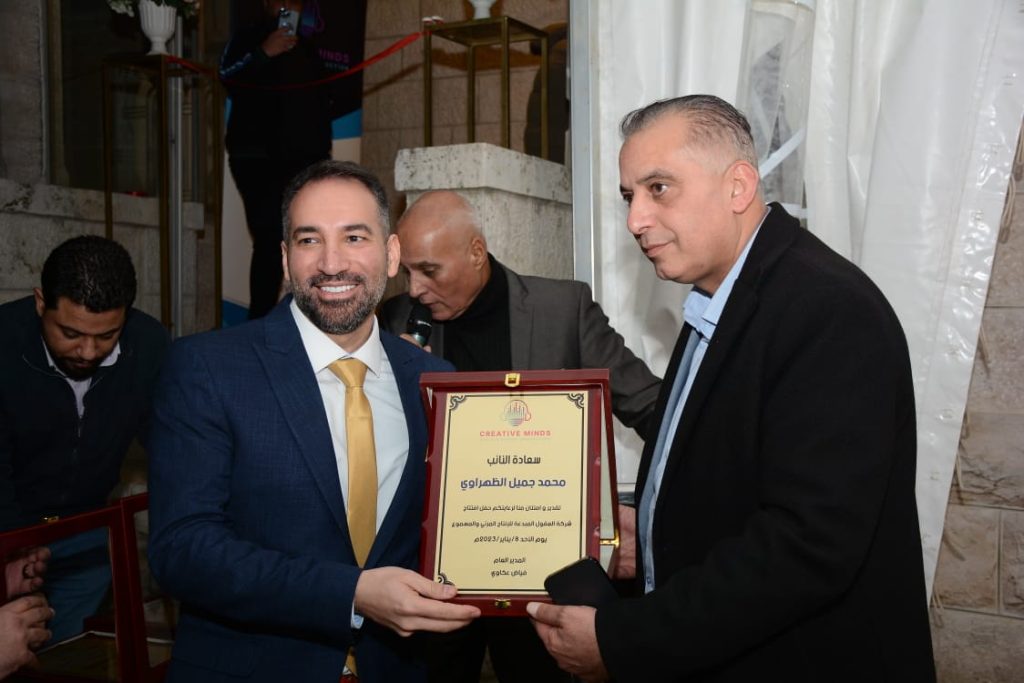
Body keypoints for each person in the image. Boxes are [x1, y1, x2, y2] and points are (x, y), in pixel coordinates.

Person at [526, 95, 936, 682]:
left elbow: (805, 546)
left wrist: (622, 641)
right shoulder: (721, 302)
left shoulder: (827, 309)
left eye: (658, 188)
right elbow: (736, 474)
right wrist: (651, 530)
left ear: (738, 186)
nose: (635, 220)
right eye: (628, 196)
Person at [147, 160, 480, 683]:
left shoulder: (436, 381)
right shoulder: (207, 368)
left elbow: (461, 525)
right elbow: (183, 550)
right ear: (285, 258)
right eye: (309, 240)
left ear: (392, 254)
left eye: (354, 237)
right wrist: (351, 593)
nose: (331, 263)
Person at [380, 190, 661, 683]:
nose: (416, 288)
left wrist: (679, 503)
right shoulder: (393, 321)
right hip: (436, 576)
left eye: (429, 270)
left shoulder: (562, 309)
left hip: (540, 571)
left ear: (476, 252)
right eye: (407, 273)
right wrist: (394, 385)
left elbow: (653, 409)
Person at [0, 235, 169, 643]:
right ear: (41, 302)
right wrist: (13, 544)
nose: (88, 351)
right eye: (71, 333)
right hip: (6, 531)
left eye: (107, 335)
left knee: (69, 653)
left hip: (87, 534)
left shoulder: (148, 344)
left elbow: (169, 441)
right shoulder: (3, 341)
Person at [221, 0, 332, 319]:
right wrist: (263, 53)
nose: (287, 5)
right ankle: (259, 321)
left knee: (308, 238)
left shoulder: (308, 49)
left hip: (305, 163)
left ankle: (307, 316)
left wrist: (323, 161)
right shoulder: (248, 37)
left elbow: (321, 107)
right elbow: (227, 75)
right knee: (270, 238)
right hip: (258, 160)